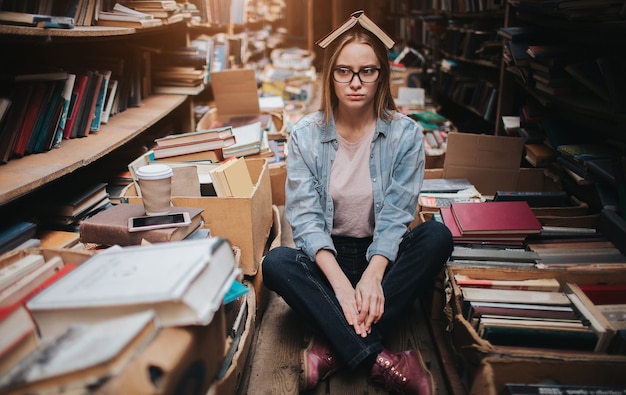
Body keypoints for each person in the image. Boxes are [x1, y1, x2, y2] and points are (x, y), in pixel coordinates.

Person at [262, 10, 453, 395]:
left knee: (437, 236)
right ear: (329, 75)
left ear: (381, 75)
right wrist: (341, 286)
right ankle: (382, 359)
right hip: (326, 259)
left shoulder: (406, 135)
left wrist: (373, 273)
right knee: (277, 263)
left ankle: (333, 346)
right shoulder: (305, 135)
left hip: (381, 256)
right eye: (343, 71)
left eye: (367, 71)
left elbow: (399, 214)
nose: (355, 83)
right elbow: (306, 219)